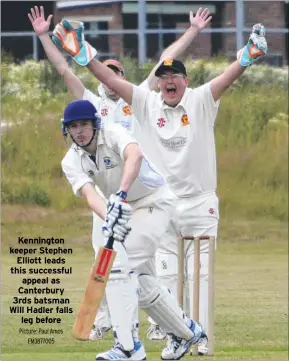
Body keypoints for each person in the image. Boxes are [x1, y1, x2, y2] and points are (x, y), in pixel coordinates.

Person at [50, 16, 268, 357]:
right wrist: (85, 58)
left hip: (171, 202)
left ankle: (133, 346)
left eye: (174, 76)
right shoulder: (145, 103)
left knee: (180, 275)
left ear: (185, 80)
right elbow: (106, 79)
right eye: (163, 76)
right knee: (148, 278)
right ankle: (183, 332)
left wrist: (246, 56)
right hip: (148, 208)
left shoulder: (195, 100)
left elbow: (225, 79)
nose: (168, 81)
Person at [28, 5, 212, 349]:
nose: (109, 75)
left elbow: (165, 59)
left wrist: (194, 32)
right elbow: (62, 68)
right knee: (113, 264)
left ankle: (136, 341)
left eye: (115, 71)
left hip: (143, 193)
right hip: (108, 200)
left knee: (131, 268)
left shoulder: (136, 98)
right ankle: (128, 327)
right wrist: (42, 36)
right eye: (106, 70)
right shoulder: (89, 107)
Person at [58, 98, 206, 360]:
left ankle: (128, 347)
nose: (79, 131)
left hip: (153, 201)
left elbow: (134, 155)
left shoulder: (113, 132)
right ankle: (186, 332)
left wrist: (121, 194)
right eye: (73, 126)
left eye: (84, 124)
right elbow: (91, 195)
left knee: (118, 267)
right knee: (140, 285)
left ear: (95, 124)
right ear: (66, 130)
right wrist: (110, 214)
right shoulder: (71, 160)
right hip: (122, 211)